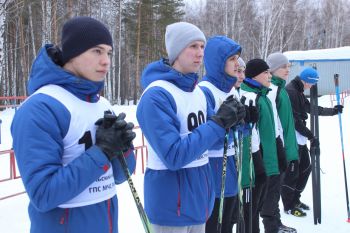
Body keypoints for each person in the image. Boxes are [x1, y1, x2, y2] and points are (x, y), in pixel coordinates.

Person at [11, 16, 136, 233]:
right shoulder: (41, 107)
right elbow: (43, 195)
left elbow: (119, 176)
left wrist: (122, 148)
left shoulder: (102, 103)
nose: (106, 60)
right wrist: (103, 151)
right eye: (97, 51)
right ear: (73, 53)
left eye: (109, 52)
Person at [136, 22, 245, 233]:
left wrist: (233, 122)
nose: (200, 53)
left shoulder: (195, 92)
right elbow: (173, 155)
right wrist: (218, 123)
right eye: (193, 46)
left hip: (199, 203)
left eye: (202, 47)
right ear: (177, 50)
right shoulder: (156, 95)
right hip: (171, 208)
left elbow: (212, 140)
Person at [283, 67, 343, 216]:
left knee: (305, 168)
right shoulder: (291, 91)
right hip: (292, 138)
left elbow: (309, 108)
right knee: (292, 173)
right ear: (305, 80)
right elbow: (295, 120)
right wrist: (311, 136)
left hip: (300, 136)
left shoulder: (298, 90)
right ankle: (289, 206)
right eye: (311, 83)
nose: (312, 86)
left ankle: (295, 199)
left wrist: (332, 111)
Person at [198, 35, 242, 233]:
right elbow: (207, 137)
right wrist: (229, 125)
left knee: (228, 222)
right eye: (232, 59)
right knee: (215, 223)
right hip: (214, 168)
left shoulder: (229, 90)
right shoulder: (205, 90)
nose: (237, 63)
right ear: (218, 61)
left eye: (237, 58)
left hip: (231, 164)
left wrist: (244, 121)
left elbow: (238, 130)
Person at [240, 59, 275, 233]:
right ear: (254, 75)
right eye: (265, 73)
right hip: (250, 161)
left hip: (260, 158)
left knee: (255, 208)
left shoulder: (262, 96)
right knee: (248, 210)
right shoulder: (249, 97)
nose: (270, 76)